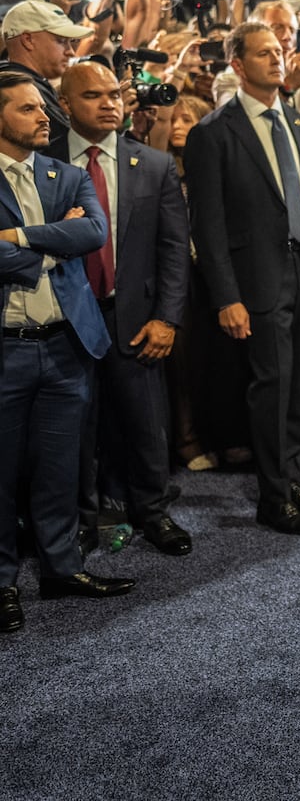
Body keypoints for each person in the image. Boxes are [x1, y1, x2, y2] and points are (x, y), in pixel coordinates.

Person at [186, 24, 300, 535]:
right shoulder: (213, 132)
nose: (277, 60)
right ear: (237, 64)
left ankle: (291, 477)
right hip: (256, 280)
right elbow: (207, 225)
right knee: (272, 384)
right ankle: (273, 496)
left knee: (298, 385)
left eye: (280, 52)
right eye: (263, 53)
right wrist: (226, 297)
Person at [0, 71, 133, 633]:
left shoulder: (67, 173)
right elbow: (71, 240)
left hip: (64, 346)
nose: (44, 118)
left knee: (59, 468)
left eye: (44, 108)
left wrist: (19, 239)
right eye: (29, 109)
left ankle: (61, 568)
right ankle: (3, 582)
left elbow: (94, 234)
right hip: (6, 351)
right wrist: (58, 238)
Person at [55, 60, 191, 555]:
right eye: (94, 96)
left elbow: (174, 250)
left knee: (145, 424)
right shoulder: (42, 163)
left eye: (115, 93)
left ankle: (154, 513)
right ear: (65, 104)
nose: (110, 102)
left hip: (134, 317)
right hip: (66, 319)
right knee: (75, 428)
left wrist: (167, 317)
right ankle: (81, 522)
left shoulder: (152, 164)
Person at [0, 0, 94, 144]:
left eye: (70, 42)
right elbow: (69, 145)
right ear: (28, 40)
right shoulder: (19, 89)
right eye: (61, 41)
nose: (71, 52)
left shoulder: (36, 83)